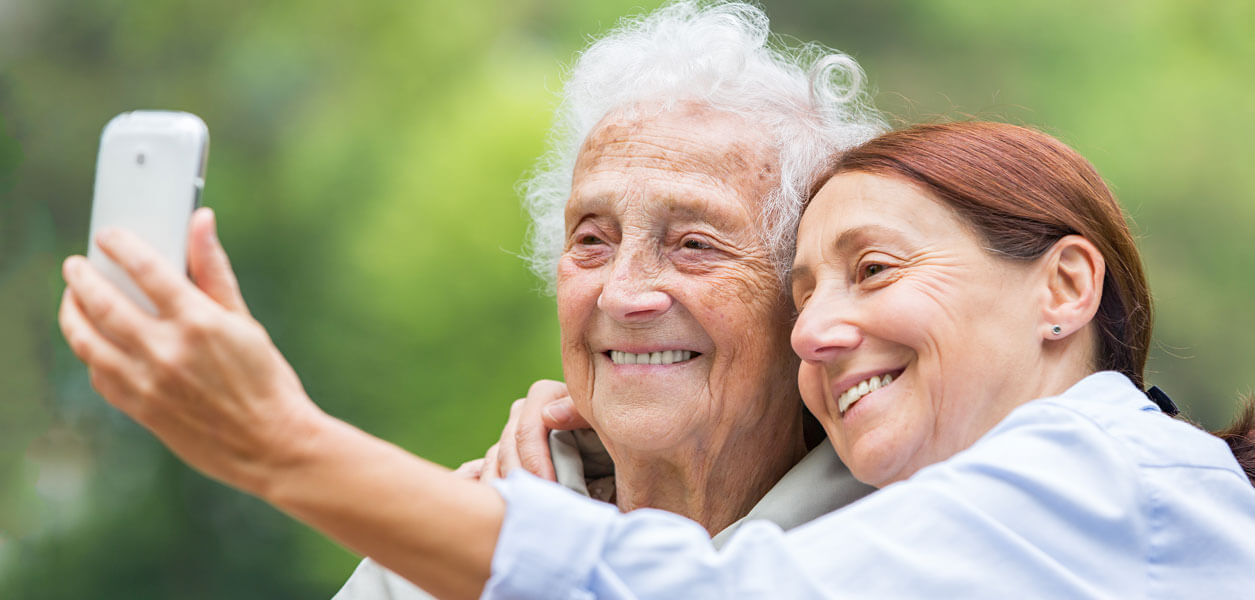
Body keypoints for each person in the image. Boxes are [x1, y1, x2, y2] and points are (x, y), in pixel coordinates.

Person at [59, 119, 1255, 598]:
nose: (818, 330)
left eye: (875, 270)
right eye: (802, 290)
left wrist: (284, 446)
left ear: (1062, 287)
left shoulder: (1094, 479)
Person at [333, 2, 889, 596]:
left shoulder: (910, 540)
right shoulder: (443, 554)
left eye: (694, 244)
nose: (623, 295)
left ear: (809, 296)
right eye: (593, 240)